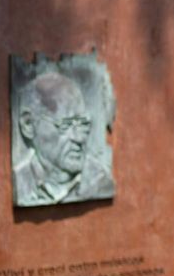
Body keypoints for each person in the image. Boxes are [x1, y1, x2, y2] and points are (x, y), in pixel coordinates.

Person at [13, 71, 114, 206]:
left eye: (83, 123)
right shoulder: (17, 183)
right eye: (66, 125)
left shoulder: (99, 180)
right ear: (28, 125)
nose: (79, 139)